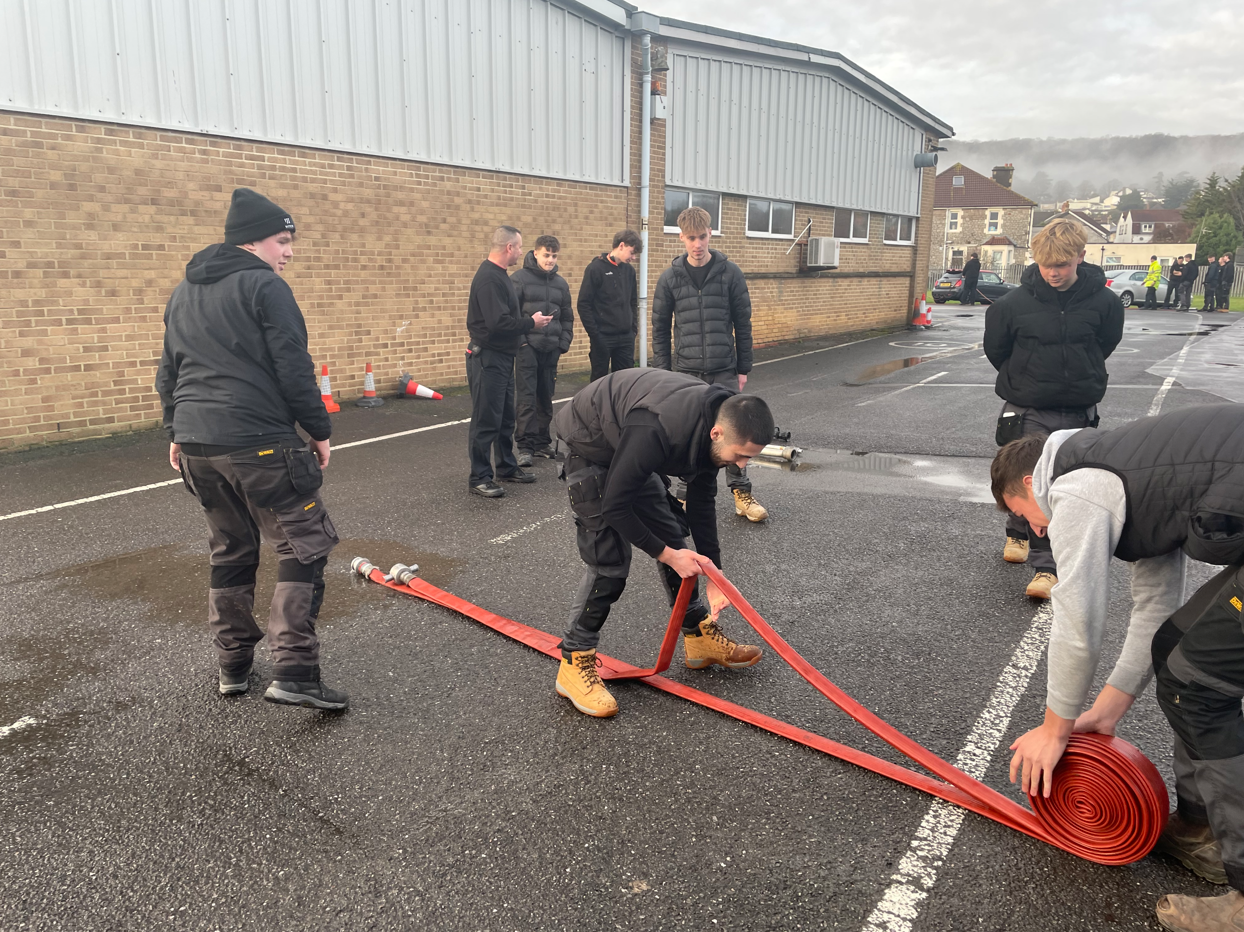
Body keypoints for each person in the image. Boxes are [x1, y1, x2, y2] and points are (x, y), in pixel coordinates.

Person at [992, 406, 1244, 932]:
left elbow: (1078, 616)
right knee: (1180, 651)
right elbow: (1157, 610)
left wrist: (1055, 729)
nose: (1035, 529)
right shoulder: (1129, 474)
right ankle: (1201, 829)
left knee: (1197, 685)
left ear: (1031, 482)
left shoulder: (1077, 488)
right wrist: (1105, 713)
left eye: (1024, 515)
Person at [155, 188, 347, 710]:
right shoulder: (266, 287)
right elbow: (293, 365)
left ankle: (233, 664)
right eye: (282, 241)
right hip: (258, 441)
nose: (289, 252)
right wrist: (318, 429)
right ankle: (295, 672)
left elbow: (169, 371)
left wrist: (177, 431)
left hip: (199, 446)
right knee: (303, 546)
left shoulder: (183, 292)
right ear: (251, 241)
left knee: (231, 549)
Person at [549, 369, 773, 717]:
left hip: (627, 440)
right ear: (717, 433)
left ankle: (697, 637)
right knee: (609, 563)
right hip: (589, 443)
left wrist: (714, 574)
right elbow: (615, 507)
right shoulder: (656, 428)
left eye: (749, 458)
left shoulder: (717, 425)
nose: (742, 465)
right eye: (740, 455)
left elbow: (701, 502)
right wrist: (667, 555)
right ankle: (575, 662)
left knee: (675, 540)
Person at [983, 218, 1124, 599]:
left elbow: (1105, 344)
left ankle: (1047, 565)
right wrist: (1028, 377)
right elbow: (997, 350)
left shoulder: (1106, 303)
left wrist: (1077, 375)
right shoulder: (1011, 305)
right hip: (1028, 407)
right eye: (1046, 265)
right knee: (1028, 481)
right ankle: (1028, 546)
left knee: (1063, 487)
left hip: (1078, 409)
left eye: (1061, 265)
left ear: (1081, 256)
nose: (1053, 273)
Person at [652, 206, 767, 523]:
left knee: (736, 432)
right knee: (689, 434)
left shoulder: (731, 273)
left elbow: (743, 323)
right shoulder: (670, 278)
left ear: (710, 234)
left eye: (702, 237)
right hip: (685, 372)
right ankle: (685, 497)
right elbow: (660, 329)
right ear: (681, 238)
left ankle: (741, 495)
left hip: (723, 369)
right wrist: (662, 374)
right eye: (691, 238)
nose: (697, 244)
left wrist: (743, 368)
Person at [465, 226, 553, 498]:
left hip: (503, 358)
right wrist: (531, 323)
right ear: (509, 248)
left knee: (505, 418)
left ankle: (506, 467)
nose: (521, 252)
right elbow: (497, 323)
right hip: (488, 359)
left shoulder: (500, 275)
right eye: (519, 247)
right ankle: (479, 477)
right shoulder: (489, 279)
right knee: (485, 419)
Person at [510, 235, 573, 466]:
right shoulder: (519, 279)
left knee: (546, 396)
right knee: (527, 398)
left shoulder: (561, 284)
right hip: (527, 348)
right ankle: (525, 447)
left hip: (551, 349)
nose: (550, 260)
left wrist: (562, 343)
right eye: (546, 255)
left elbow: (567, 317)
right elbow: (512, 315)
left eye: (554, 256)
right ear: (535, 253)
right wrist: (522, 343)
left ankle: (541, 442)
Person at [577, 230, 641, 381]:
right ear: (621, 245)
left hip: (626, 337)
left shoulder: (629, 271)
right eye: (632, 253)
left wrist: (633, 329)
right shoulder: (595, 269)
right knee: (600, 382)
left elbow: (633, 302)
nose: (633, 258)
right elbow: (583, 304)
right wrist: (595, 334)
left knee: (625, 382)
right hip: (603, 337)